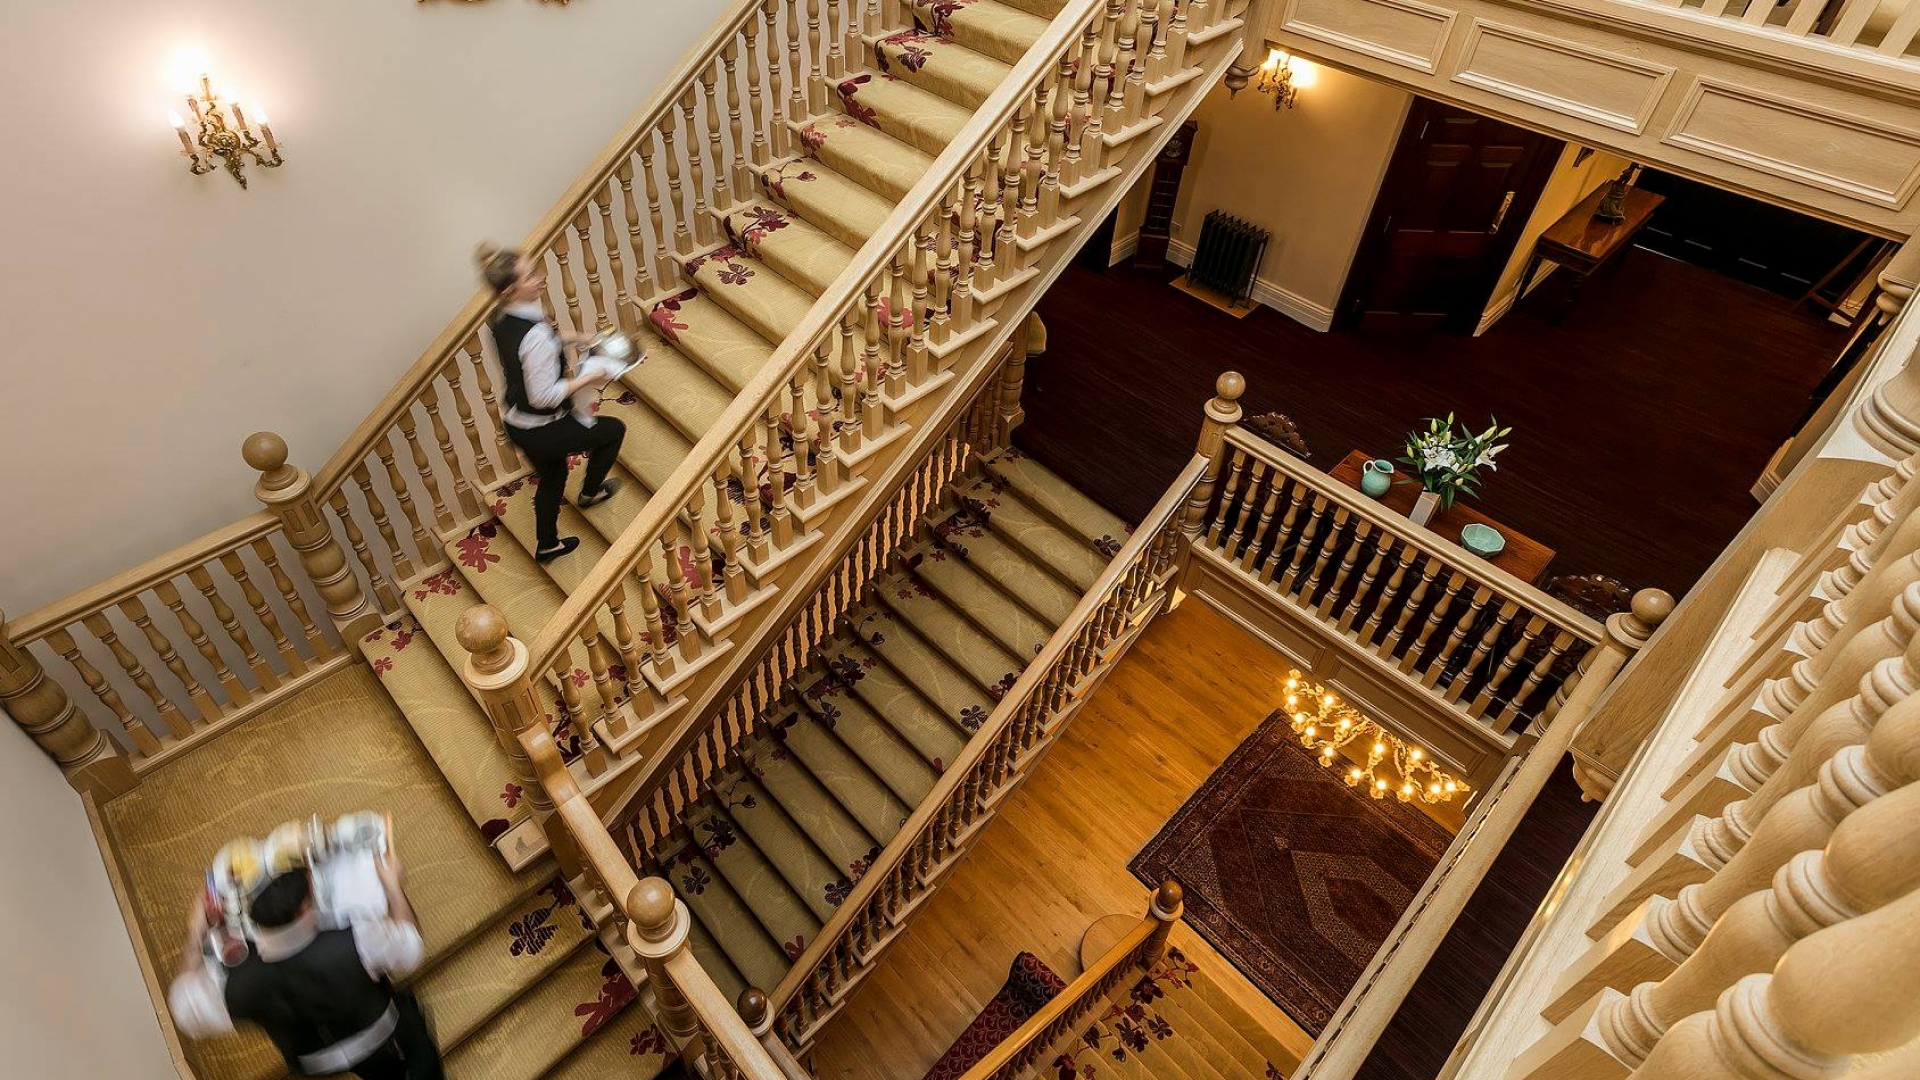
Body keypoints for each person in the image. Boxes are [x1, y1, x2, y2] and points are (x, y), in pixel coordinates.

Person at [168, 853, 442, 1079]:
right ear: (303, 908)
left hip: (312, 1062)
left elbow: (183, 1007)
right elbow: (411, 947)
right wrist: (393, 885)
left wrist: (197, 933)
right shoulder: (358, 939)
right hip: (381, 1035)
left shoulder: (234, 986)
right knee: (412, 1045)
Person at [475, 242, 627, 562]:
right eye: (531, 276)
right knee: (612, 430)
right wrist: (591, 375)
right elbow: (544, 396)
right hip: (542, 428)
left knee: (553, 477)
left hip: (517, 422)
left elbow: (534, 346)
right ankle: (590, 492)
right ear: (511, 290)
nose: (541, 277)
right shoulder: (534, 337)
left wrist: (580, 337)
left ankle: (547, 545)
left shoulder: (502, 318)